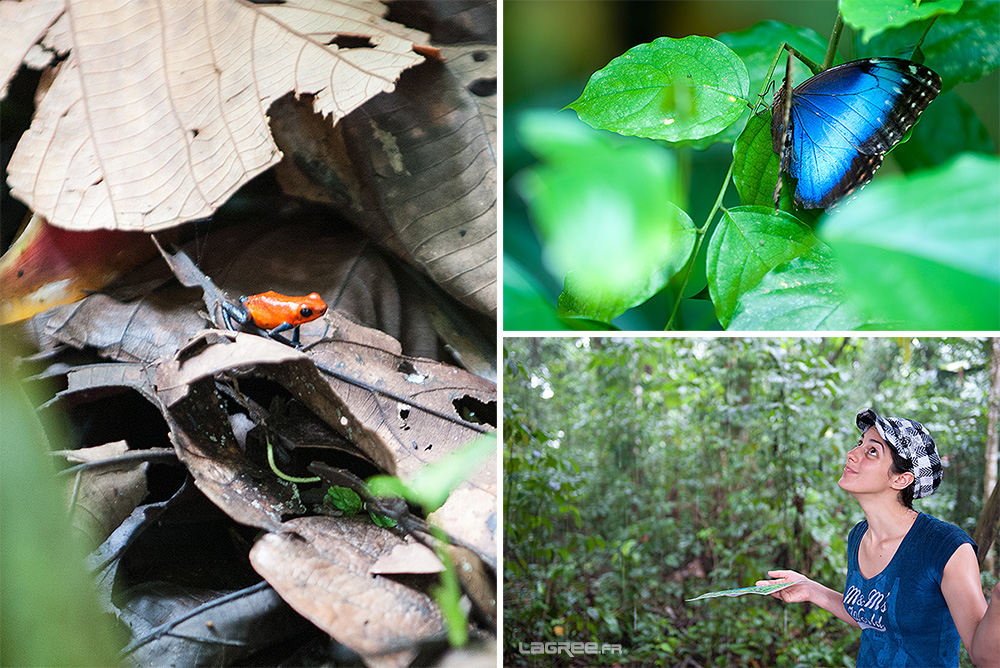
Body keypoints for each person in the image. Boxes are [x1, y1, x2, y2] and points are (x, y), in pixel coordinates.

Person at [757, 408, 1000, 668]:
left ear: (901, 479)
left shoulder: (946, 547)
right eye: (859, 444)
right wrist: (811, 589)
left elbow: (984, 657)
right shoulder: (859, 536)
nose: (852, 454)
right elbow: (871, 618)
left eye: (872, 451)